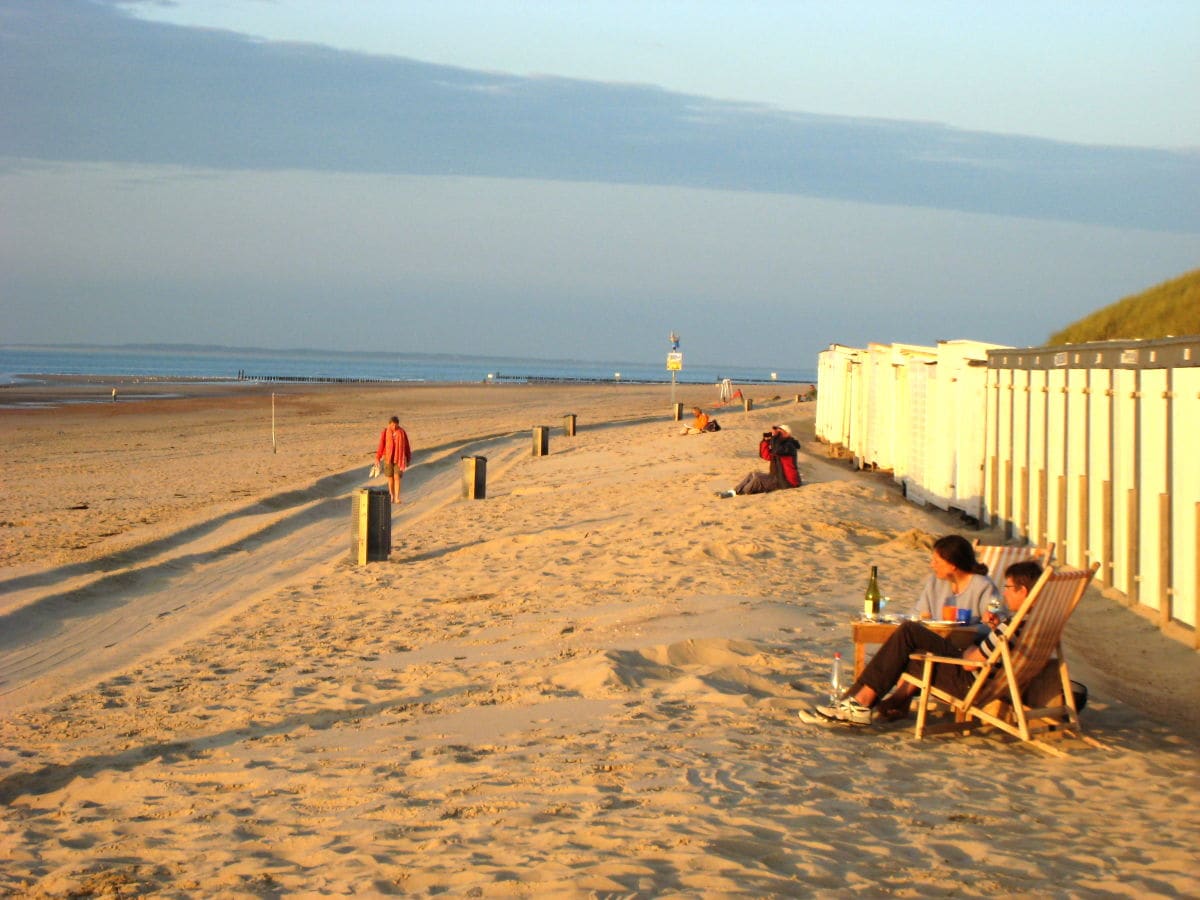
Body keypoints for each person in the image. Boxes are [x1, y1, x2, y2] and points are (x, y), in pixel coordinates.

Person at [815, 559, 1043, 725]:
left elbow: (971, 664)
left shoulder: (1013, 625)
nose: (1005, 594)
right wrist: (992, 632)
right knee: (910, 644)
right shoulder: (1033, 622)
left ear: (1022, 591)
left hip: (971, 683)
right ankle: (857, 702)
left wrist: (972, 649)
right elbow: (999, 651)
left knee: (908, 634)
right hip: (989, 679)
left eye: (1009, 588)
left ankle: (858, 702)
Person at [911, 534, 1002, 625]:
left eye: (937, 561)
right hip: (936, 635)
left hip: (969, 636)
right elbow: (920, 613)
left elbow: (996, 606)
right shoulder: (934, 582)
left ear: (953, 564)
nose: (932, 565)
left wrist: (992, 613)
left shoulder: (983, 586)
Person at [716, 423, 801, 496]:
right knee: (753, 474)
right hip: (777, 477)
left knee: (758, 480)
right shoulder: (780, 445)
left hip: (787, 481)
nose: (777, 434)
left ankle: (741, 493)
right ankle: (733, 492)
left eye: (780, 432)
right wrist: (766, 441)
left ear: (786, 434)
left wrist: (775, 437)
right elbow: (766, 456)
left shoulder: (790, 446)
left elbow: (777, 450)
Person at [375, 415, 412, 504]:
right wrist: (377, 457)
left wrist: (408, 458)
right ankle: (391, 495)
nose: (394, 427)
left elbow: (407, 446)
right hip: (388, 458)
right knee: (390, 478)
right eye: (392, 425)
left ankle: (397, 497)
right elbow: (381, 445)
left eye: (396, 425)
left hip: (399, 458)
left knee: (397, 477)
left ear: (398, 424)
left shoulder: (402, 432)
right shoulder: (385, 432)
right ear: (389, 424)